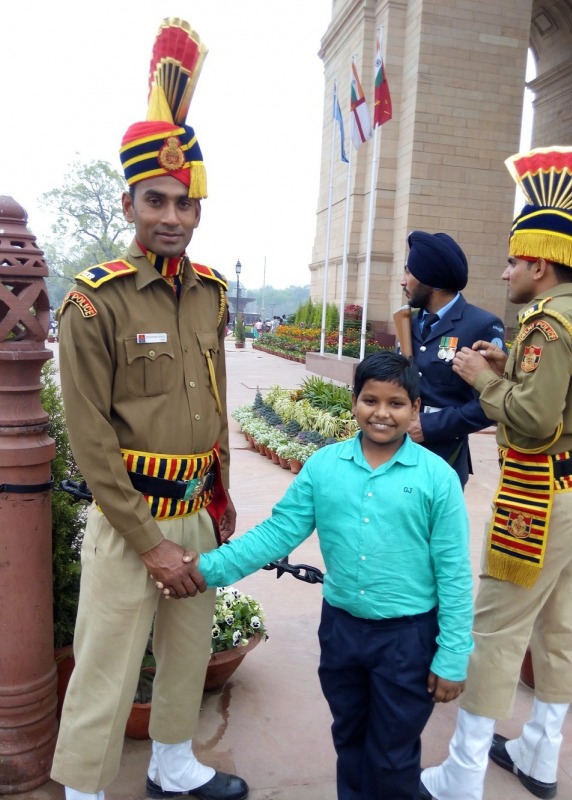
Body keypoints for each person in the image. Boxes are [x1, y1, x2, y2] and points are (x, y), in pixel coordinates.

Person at [51, 19, 248, 800]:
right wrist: (149, 541)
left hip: (197, 512)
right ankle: (85, 790)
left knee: (189, 649)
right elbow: (90, 435)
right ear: (130, 201)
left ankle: (174, 765)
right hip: (130, 521)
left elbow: (219, 399)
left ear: (199, 210)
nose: (172, 215)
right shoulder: (92, 302)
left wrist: (221, 496)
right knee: (105, 664)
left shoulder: (211, 293)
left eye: (185, 202)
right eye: (156, 199)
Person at [165, 351, 474, 800]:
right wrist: (206, 569)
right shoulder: (324, 466)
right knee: (349, 738)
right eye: (371, 400)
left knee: (392, 754)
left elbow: (454, 573)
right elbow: (278, 533)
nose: (382, 413)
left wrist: (452, 655)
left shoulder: (437, 478)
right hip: (342, 630)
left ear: (416, 410)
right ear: (354, 401)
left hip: (408, 640)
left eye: (396, 403)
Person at [419, 146, 572, 800]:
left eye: (513, 261)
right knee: (558, 624)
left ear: (541, 264)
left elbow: (530, 422)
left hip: (541, 494)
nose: (504, 272)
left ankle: (462, 773)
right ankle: (540, 754)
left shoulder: (550, 325)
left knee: (494, 627)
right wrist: (508, 363)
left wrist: (481, 379)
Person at [400, 231, 505, 487]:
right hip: (399, 449)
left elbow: (493, 403)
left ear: (432, 281)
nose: (403, 282)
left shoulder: (482, 325)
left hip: (444, 456)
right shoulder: (408, 323)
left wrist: (430, 425)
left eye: (409, 273)